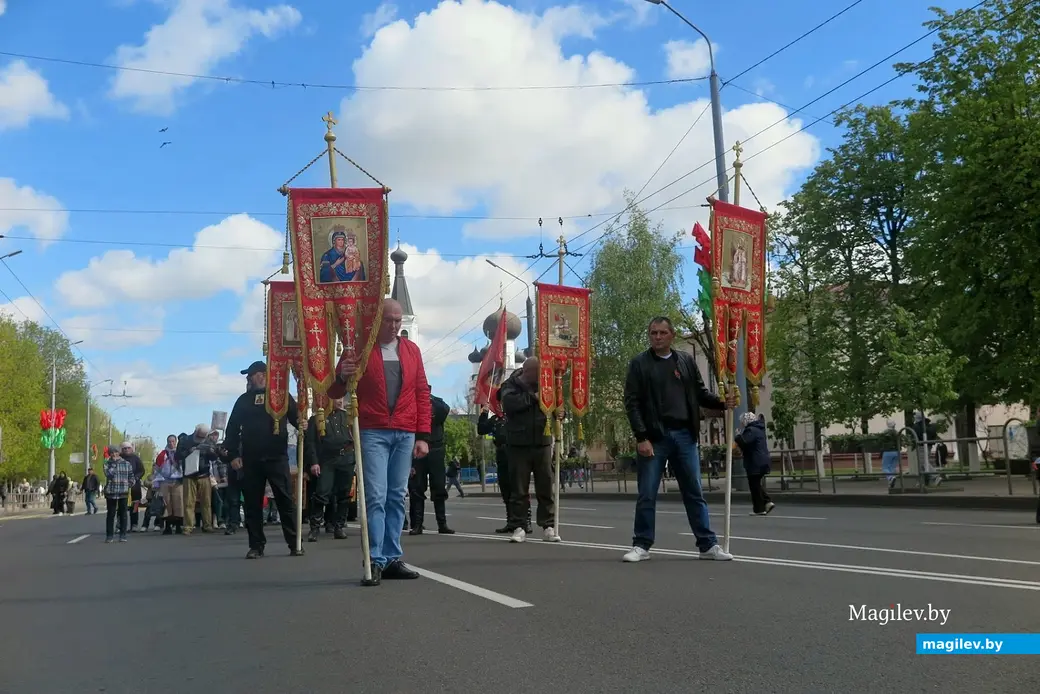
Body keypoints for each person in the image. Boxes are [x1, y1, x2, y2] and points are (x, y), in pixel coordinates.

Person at [329, 298, 430, 586]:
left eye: (399, 321)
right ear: (376, 320)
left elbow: (422, 391)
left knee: (397, 495)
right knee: (376, 496)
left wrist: (422, 435)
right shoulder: (358, 350)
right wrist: (341, 375)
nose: (395, 326)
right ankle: (374, 558)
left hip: (404, 430)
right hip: (373, 430)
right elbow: (335, 389)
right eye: (389, 320)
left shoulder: (411, 351)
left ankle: (392, 557)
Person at [621, 316, 735, 563]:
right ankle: (641, 545)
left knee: (694, 491)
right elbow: (632, 403)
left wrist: (723, 403)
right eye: (653, 333)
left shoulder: (685, 361)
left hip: (685, 436)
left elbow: (700, 393)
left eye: (662, 333)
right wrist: (642, 437)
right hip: (654, 437)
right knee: (647, 493)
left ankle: (707, 545)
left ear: (672, 335)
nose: (657, 337)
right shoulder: (639, 364)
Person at [225, 361, 305, 559]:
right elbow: (232, 429)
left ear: (267, 375)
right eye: (253, 375)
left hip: (276, 456)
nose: (256, 377)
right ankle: (256, 545)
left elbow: (297, 419)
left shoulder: (281, 396)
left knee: (285, 500)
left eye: (260, 373)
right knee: (252, 504)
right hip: (251, 458)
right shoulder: (243, 400)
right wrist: (233, 454)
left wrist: (303, 422)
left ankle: (294, 542)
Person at [499, 356, 560, 544]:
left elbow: (555, 402)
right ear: (528, 371)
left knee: (545, 485)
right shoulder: (511, 384)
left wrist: (560, 412)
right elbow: (508, 404)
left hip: (542, 441)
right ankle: (519, 526)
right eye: (537, 372)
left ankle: (548, 525)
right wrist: (532, 397)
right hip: (518, 444)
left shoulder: (547, 383)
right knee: (519, 488)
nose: (541, 376)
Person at [305, 397, 355, 542]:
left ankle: (338, 526)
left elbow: (357, 438)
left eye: (341, 398)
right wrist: (314, 463)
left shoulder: (348, 416)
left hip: (346, 458)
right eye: (336, 398)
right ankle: (314, 528)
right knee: (322, 493)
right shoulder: (317, 418)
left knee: (344, 495)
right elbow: (311, 443)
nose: (340, 401)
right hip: (327, 460)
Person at [408, 392, 454, 535]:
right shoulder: (410, 403)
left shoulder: (436, 403)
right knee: (416, 489)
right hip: (417, 450)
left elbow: (445, 410)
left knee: (439, 487)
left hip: (436, 449)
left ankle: (442, 524)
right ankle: (417, 524)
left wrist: (429, 400)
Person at [478, 405, 525, 533]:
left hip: (515, 452)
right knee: (505, 489)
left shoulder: (514, 416)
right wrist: (484, 414)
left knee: (518, 488)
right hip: (501, 453)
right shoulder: (495, 419)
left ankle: (524, 522)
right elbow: (481, 429)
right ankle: (511, 522)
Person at [177, 425, 216, 534]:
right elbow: (178, 456)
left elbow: (214, 458)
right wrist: (190, 451)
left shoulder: (209, 441)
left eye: (203, 437)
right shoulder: (185, 440)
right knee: (189, 502)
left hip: (204, 474)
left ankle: (207, 525)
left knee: (206, 502)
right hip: (189, 475)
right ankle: (188, 526)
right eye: (199, 437)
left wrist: (211, 451)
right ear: (195, 431)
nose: (201, 440)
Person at [735, 411, 774, 516]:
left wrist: (738, 436)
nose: (742, 423)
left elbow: (744, 442)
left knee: (754, 486)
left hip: (755, 462)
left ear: (746, 421)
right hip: (761, 460)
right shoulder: (758, 429)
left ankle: (760, 508)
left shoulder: (751, 430)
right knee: (756, 484)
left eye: (742, 421)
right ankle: (766, 502)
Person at [103, 447, 135, 543]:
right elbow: (109, 475)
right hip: (111, 491)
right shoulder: (107, 464)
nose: (114, 454)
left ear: (119, 453)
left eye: (116, 452)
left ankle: (123, 535)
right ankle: (109, 536)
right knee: (111, 514)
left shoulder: (126, 463)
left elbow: (132, 476)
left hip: (123, 491)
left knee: (123, 514)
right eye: (112, 452)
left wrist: (128, 484)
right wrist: (114, 464)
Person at [155, 435, 184, 535]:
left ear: (176, 442)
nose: (171, 443)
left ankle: (178, 526)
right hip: (165, 482)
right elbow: (157, 469)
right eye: (169, 441)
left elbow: (184, 467)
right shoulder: (162, 454)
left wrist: (181, 479)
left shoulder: (180, 454)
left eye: (173, 441)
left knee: (178, 504)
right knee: (167, 505)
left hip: (177, 482)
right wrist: (157, 484)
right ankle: (167, 527)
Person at [120, 442, 145, 532]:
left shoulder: (136, 458)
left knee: (134, 507)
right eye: (124, 448)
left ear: (131, 449)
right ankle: (120, 526)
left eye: (128, 448)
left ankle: (134, 524)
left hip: (134, 487)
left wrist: (136, 477)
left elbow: (142, 470)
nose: (126, 450)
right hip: (122, 486)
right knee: (121, 507)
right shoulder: (119, 458)